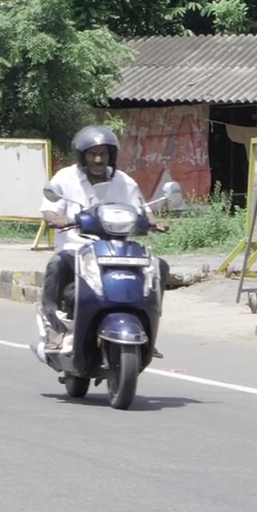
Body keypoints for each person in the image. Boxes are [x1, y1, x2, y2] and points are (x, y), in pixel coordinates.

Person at [37, 125, 164, 354]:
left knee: (159, 266)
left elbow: (143, 209)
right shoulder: (65, 178)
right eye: (92, 154)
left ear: (111, 156)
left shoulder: (124, 181)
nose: (98, 159)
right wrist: (57, 219)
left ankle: (149, 324)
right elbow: (49, 211)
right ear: (82, 156)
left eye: (103, 154)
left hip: (118, 249)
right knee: (57, 264)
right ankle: (53, 323)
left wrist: (154, 221)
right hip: (77, 249)